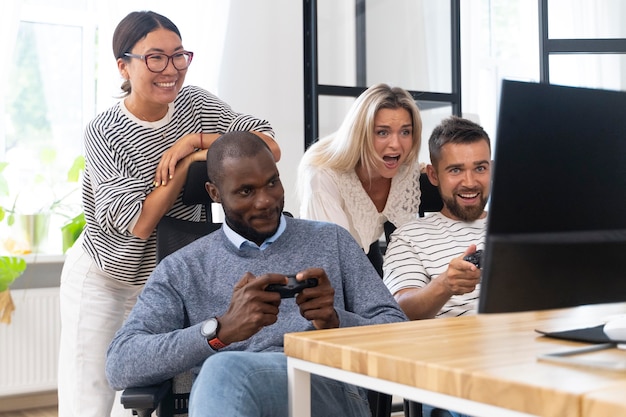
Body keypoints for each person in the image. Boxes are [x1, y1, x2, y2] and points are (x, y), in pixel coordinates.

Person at [58, 11, 279, 417]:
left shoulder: (194, 104)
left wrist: (195, 141)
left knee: (140, 401)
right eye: (155, 58)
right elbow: (139, 223)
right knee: (88, 400)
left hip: (161, 283)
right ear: (123, 65)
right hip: (105, 278)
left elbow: (266, 146)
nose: (171, 69)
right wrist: (182, 165)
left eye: (179, 56)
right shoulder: (105, 130)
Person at [105, 131, 408, 417]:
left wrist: (336, 321)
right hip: (228, 395)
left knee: (223, 371)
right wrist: (218, 332)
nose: (265, 201)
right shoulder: (183, 267)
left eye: (272, 183)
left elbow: (399, 333)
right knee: (224, 370)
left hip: (327, 391)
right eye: (246, 191)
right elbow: (121, 363)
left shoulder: (333, 241)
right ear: (215, 193)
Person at [297, 83, 423, 276]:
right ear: (360, 133)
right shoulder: (323, 175)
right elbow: (334, 257)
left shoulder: (405, 170)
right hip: (325, 268)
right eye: (382, 132)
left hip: (368, 253)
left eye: (405, 132)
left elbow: (406, 245)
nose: (396, 144)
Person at [383, 115, 491, 320]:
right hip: (461, 346)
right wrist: (445, 284)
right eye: (456, 170)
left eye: (479, 168)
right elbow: (399, 310)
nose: (469, 182)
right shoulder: (409, 237)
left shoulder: (522, 229)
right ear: (433, 175)